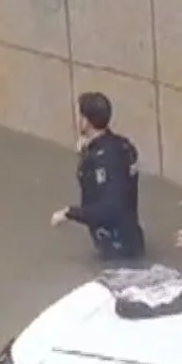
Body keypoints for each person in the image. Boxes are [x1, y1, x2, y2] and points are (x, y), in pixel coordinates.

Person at [50, 91, 145, 260]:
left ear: (85, 121)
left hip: (116, 247)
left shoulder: (102, 160)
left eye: (79, 115)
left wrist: (69, 213)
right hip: (131, 238)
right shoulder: (124, 145)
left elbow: (109, 209)